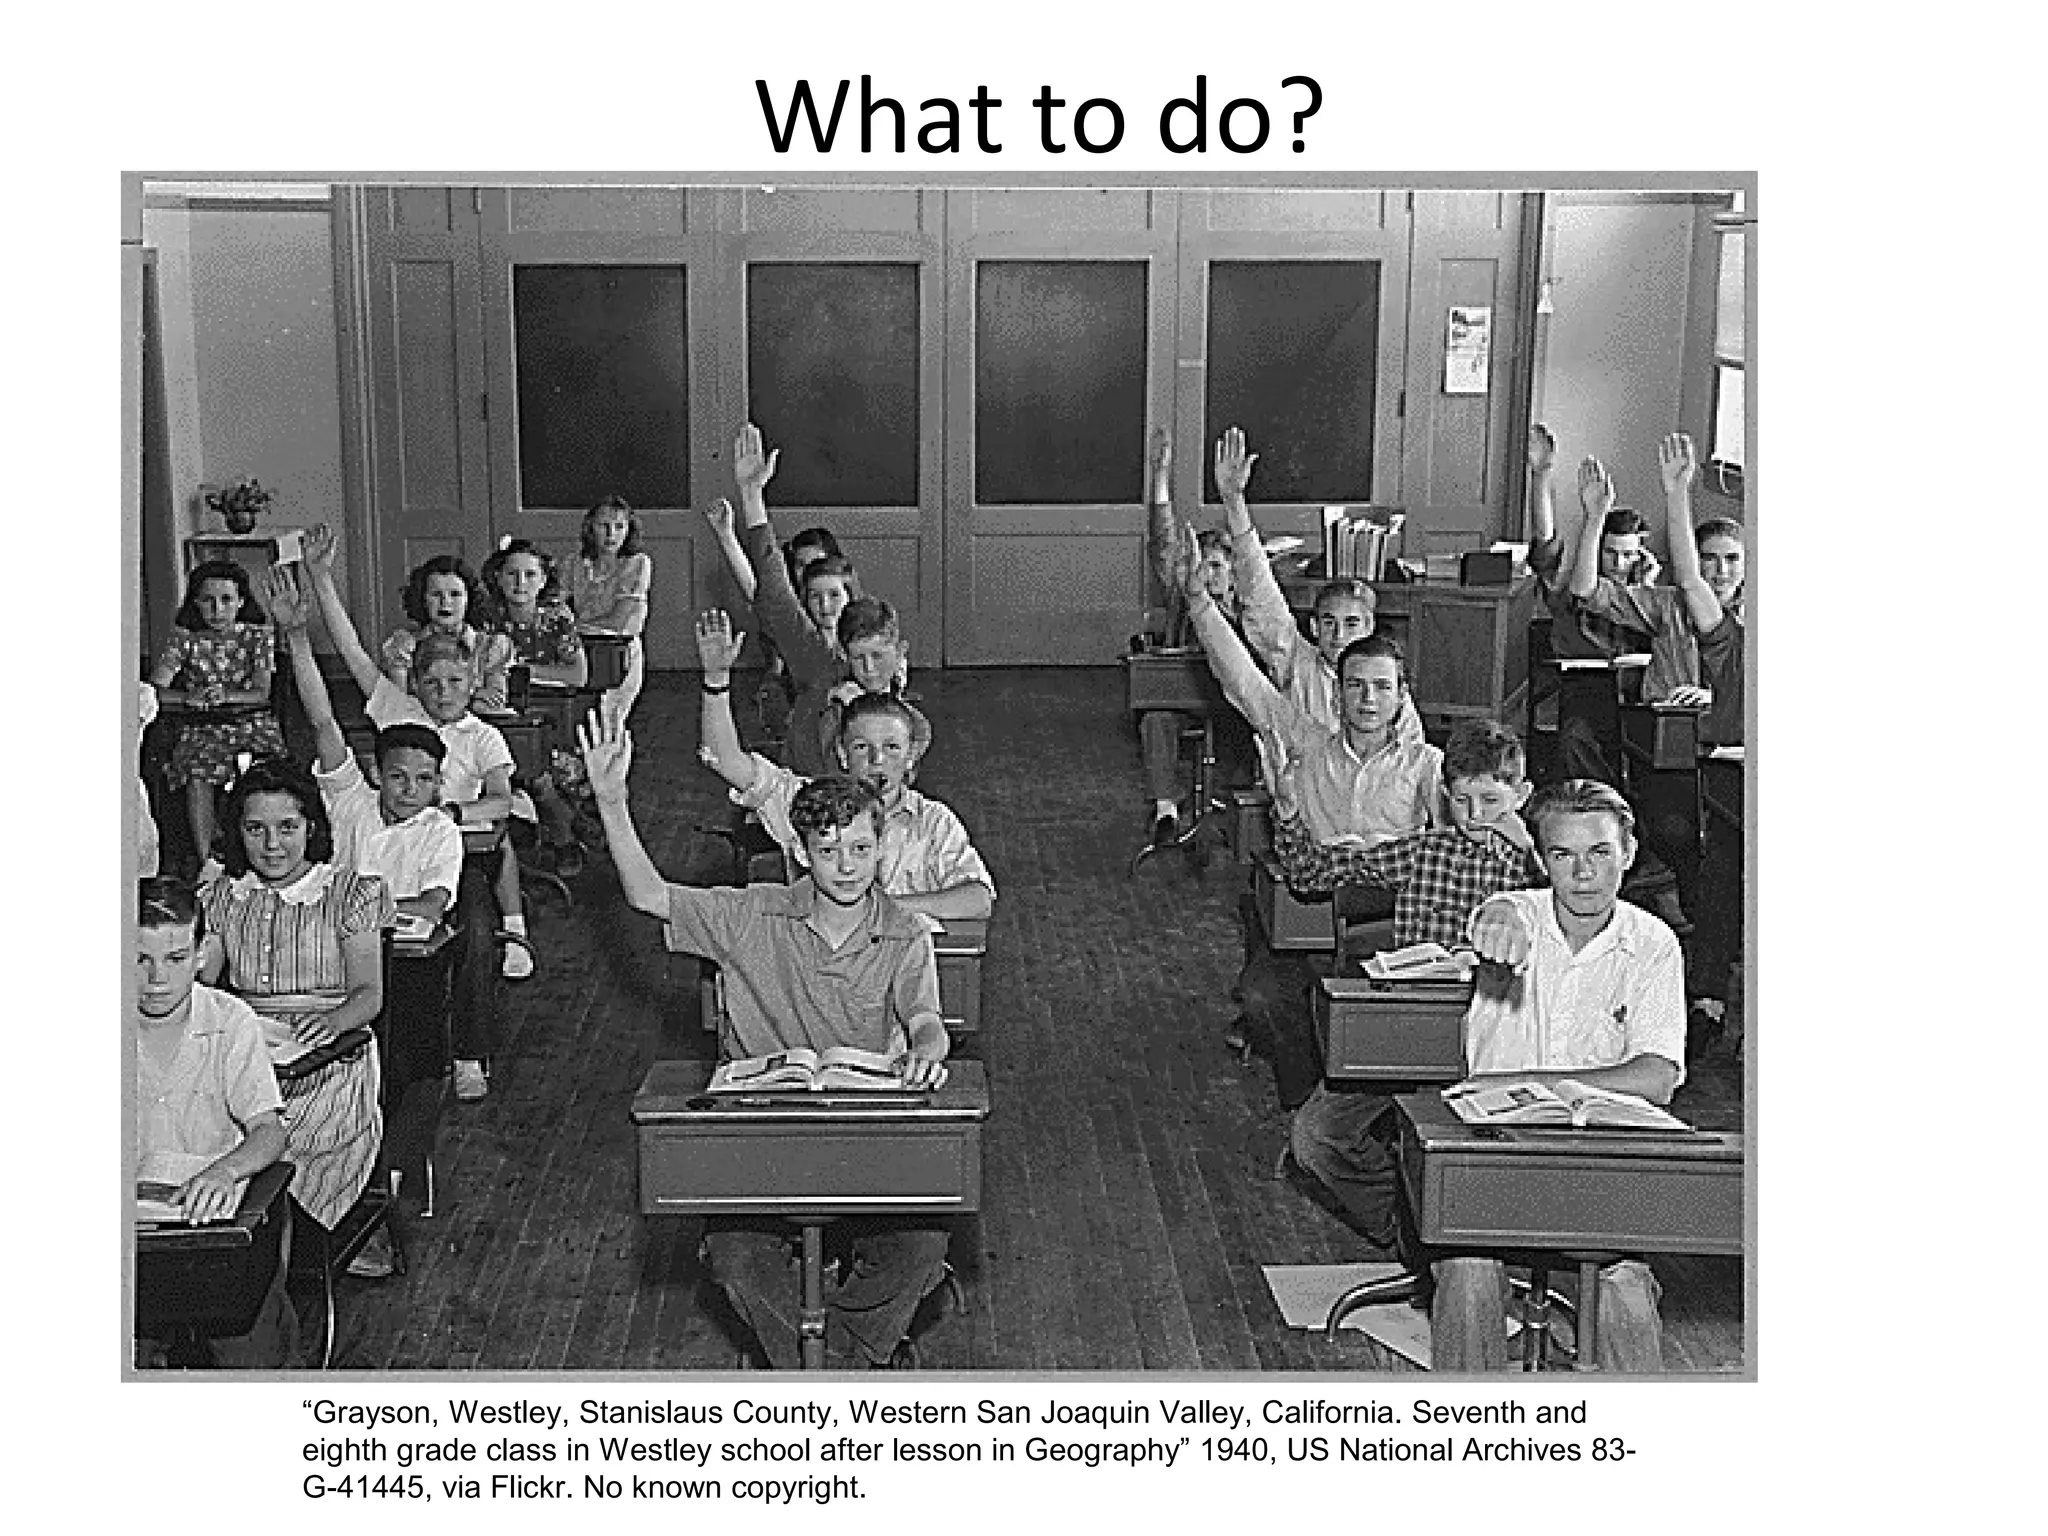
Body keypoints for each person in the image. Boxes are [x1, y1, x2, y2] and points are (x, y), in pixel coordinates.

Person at [581, 708, 952, 1368]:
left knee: (921, 1250)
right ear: (802, 854)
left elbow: (924, 1018)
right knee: (736, 1261)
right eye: (829, 851)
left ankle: (829, 1363)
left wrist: (927, 1048)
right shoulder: (750, 912)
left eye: (861, 850)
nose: (846, 867)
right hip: (760, 1145)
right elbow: (646, 894)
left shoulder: (904, 931)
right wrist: (612, 799)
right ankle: (841, 1376)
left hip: (865, 1141)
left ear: (882, 847)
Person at [1182, 524, 1445, 1110]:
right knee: (1263, 998)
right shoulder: (1306, 740)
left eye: (1381, 688)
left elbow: (1461, 832)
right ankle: (1308, 1102)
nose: (1368, 700)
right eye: (1355, 687)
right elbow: (1241, 676)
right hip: (1316, 918)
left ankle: (1371, 1106)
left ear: (1402, 695)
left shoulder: (1426, 764)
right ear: (1339, 693)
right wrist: (1200, 603)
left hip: (1393, 929)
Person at [1428, 777, 1686, 1372]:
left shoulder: (1653, 945)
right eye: (1563, 855)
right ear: (1542, 862)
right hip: (1498, 1164)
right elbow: (1499, 914)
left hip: (1599, 1175)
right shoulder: (1515, 914)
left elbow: (1656, 1078)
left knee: (1625, 1299)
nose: (1584, 873)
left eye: (1599, 853)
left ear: (1628, 853)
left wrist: (1536, 1083)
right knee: (1469, 1279)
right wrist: (1497, 917)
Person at [1283, 720, 1545, 1245]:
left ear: (1521, 795)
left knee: (1455, 1156)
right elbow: (1313, 874)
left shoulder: (1541, 871)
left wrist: (1532, 852)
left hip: (1491, 1048)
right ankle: (1408, 1233)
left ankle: (1450, 1239)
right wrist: (1288, 811)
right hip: (1406, 1035)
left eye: (1491, 801)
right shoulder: (1425, 852)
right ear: (1445, 796)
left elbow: (1576, 925)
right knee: (1314, 1138)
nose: (1475, 818)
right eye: (1463, 801)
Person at [265, 563, 465, 1221]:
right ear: (378, 773)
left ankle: (389, 1180)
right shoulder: (352, 804)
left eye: (423, 781)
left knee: (409, 1068)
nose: (408, 790)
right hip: (336, 964)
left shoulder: (440, 832)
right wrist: (297, 637)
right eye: (398, 776)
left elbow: (433, 907)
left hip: (403, 967)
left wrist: (364, 907)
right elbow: (323, 719)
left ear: (438, 787)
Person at [300, 525, 515, 1100]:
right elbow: (348, 654)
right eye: (432, 682)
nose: (443, 692)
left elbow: (502, 801)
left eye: (455, 682)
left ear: (472, 683)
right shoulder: (397, 711)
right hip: (387, 861)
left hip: (456, 858)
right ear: (416, 684)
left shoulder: (482, 736)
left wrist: (447, 809)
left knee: (471, 929)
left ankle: (469, 1052)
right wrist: (321, 579)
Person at [198, 759, 391, 1269]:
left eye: (288, 827)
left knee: (273, 1147)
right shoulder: (224, 896)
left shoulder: (349, 892)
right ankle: (224, 1267)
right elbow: (203, 985)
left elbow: (369, 993)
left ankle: (275, 1257)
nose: (272, 844)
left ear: (311, 827)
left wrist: (333, 1023)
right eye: (255, 829)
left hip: (330, 1059)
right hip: (249, 1052)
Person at [696, 609, 992, 922]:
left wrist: (881, 911)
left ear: (911, 756)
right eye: (862, 748)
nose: (877, 761)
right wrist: (716, 683)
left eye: (891, 748)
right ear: (841, 753)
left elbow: (978, 898)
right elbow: (724, 759)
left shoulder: (934, 822)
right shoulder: (806, 802)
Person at [135, 878, 295, 1367]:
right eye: (139, 959)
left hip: (212, 1232)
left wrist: (226, 1171)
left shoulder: (230, 1020)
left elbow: (270, 1130)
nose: (157, 978)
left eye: (176, 958)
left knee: (251, 1349)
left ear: (202, 954)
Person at [1213, 426, 1420, 745]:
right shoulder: (1297, 660)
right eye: (1329, 623)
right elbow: (1259, 589)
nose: (1339, 636)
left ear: (1370, 626)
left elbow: (1412, 762)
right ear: (1314, 626)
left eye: (1351, 624)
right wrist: (1234, 502)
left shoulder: (1386, 680)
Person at [1651, 432, 1747, 1056]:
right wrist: (1679, 494)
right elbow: (1689, 581)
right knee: (1722, 875)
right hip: (1731, 783)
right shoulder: (1731, 641)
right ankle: (1708, 998)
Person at [729, 425, 872, 777]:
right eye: (814, 596)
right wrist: (751, 497)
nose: (825, 605)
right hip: (810, 773)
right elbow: (773, 583)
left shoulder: (871, 645)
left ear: (851, 595)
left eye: (834, 595)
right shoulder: (806, 647)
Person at [1137, 427, 1254, 847]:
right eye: (1202, 567)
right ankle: (1167, 808)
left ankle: (1239, 807)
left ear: (1234, 572)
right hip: (1185, 698)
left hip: (1236, 706)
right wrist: (1160, 477)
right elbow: (1164, 540)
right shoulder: (1184, 599)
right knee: (1156, 719)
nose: (1209, 575)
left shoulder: (1249, 610)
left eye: (1218, 567)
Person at [1524, 424, 1658, 784]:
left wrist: (1646, 585)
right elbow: (1546, 543)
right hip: (1583, 684)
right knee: (1576, 741)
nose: (1618, 563)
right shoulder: (1578, 585)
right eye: (1611, 553)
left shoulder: (1649, 593)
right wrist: (1542, 475)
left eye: (1628, 555)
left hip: (1633, 689)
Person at [150, 560, 286, 869]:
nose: (217, 609)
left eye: (226, 600)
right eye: (208, 601)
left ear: (241, 601)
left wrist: (227, 696)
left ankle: (255, 851)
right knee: (198, 774)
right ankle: (207, 862)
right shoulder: (184, 639)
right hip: (202, 728)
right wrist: (188, 696)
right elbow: (155, 689)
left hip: (250, 723)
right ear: (195, 603)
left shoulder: (257, 636)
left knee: (255, 769)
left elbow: (262, 690)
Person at [477, 538, 589, 876]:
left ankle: (564, 838)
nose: (519, 583)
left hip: (550, 722)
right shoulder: (486, 620)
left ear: (543, 580)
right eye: (511, 574)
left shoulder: (556, 620)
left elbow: (578, 675)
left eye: (529, 574)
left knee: (541, 776)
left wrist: (520, 672)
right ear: (497, 578)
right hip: (495, 718)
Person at [379, 554, 513, 713]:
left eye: (455, 594)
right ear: (422, 599)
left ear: (469, 598)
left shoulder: (491, 645)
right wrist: (471, 696)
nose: (445, 603)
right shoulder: (404, 645)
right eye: (436, 594)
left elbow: (493, 701)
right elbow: (399, 704)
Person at [569, 495, 653, 723]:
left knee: (610, 719)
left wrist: (572, 626)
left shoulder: (636, 563)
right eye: (603, 526)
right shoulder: (576, 563)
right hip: (579, 649)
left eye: (619, 527)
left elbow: (618, 619)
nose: (611, 534)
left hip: (618, 651)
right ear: (590, 528)